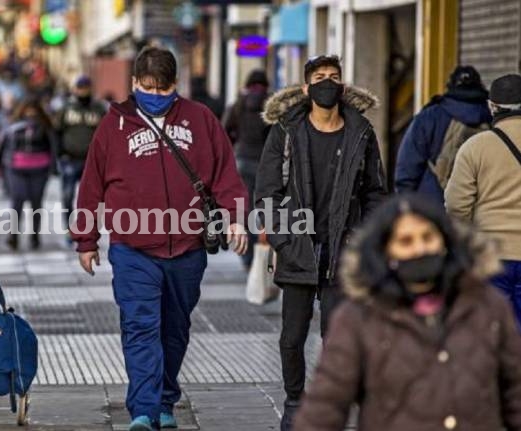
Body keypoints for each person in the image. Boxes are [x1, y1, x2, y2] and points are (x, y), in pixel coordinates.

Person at [71, 46, 249, 431]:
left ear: (175, 84)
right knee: (140, 326)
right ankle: (144, 411)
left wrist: (235, 218)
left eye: (162, 86)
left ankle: (165, 398)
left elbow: (226, 174)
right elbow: (92, 185)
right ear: (134, 83)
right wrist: (86, 239)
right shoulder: (114, 125)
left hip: (187, 248)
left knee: (175, 328)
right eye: (147, 86)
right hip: (132, 248)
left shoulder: (200, 119)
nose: (154, 93)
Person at [293, 194, 521, 431]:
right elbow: (324, 407)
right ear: (386, 252)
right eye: (405, 241)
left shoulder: (486, 306)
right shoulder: (358, 318)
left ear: (444, 241)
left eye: (428, 237)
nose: (419, 248)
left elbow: (516, 390)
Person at [254, 54, 388, 431]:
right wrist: (283, 239)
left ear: (342, 86)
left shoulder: (360, 132)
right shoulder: (285, 132)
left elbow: (376, 191)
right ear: (305, 87)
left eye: (333, 77)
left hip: (342, 252)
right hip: (298, 250)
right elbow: (266, 192)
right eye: (319, 77)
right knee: (292, 339)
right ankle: (295, 401)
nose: (327, 83)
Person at [445, 73, 521, 327]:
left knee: (492, 332)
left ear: (492, 107)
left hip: (490, 255)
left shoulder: (474, 147)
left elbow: (457, 205)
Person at [395, 65, 491, 203]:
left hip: (434, 207)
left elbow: (407, 168)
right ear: (479, 86)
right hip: (479, 208)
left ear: (450, 86)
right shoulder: (492, 117)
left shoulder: (431, 116)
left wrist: (407, 206)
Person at [223, 69, 272, 270]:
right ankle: (266, 253)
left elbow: (224, 131)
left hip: (242, 161)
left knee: (246, 209)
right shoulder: (270, 106)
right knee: (265, 210)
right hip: (264, 163)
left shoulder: (237, 105)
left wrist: (236, 146)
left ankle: (247, 257)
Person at [0, 98, 57, 251]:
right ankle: (13, 236)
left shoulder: (45, 127)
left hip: (39, 169)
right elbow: (3, 145)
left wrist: (53, 167)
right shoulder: (12, 126)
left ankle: (35, 236)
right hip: (16, 168)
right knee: (17, 200)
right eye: (28, 110)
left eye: (34, 111)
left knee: (36, 202)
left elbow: (53, 147)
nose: (31, 114)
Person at [57, 76, 107, 234]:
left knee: (91, 198)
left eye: (85, 87)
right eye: (80, 87)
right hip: (70, 158)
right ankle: (69, 228)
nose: (82, 91)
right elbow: (57, 131)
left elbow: (107, 133)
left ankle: (88, 228)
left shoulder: (99, 108)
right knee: (67, 195)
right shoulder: (67, 108)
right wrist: (60, 154)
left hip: (91, 160)